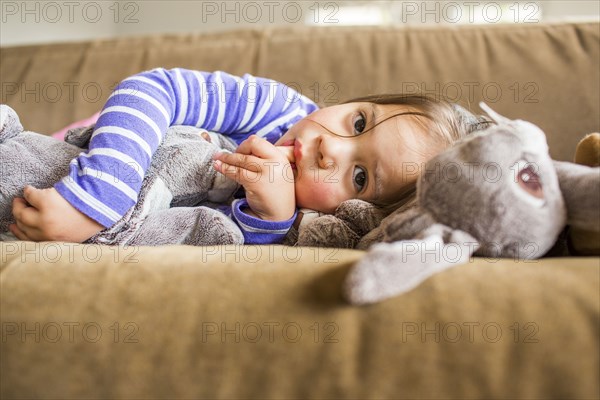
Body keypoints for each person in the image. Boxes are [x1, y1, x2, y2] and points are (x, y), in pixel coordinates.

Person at [8, 68, 487, 244]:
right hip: (85, 150)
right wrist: (95, 201)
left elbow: (206, 231)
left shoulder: (319, 228)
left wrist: (272, 218)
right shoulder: (276, 107)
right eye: (358, 123)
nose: (329, 147)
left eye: (360, 176)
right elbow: (152, 87)